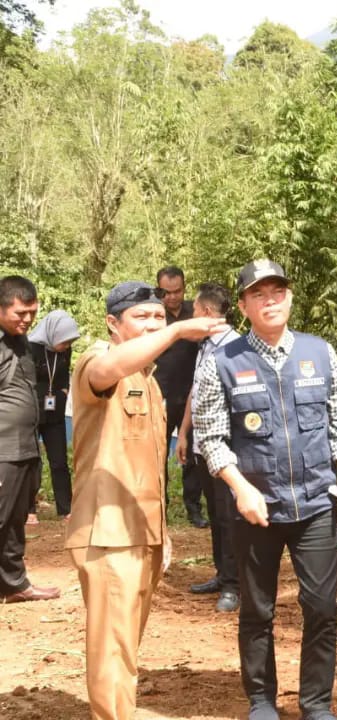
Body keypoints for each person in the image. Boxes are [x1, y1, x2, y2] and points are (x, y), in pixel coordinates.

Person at [193, 259, 337, 720]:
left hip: (315, 504)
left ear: (289, 297)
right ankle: (263, 701)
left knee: (322, 608)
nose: (271, 300)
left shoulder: (319, 352)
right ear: (244, 304)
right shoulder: (221, 361)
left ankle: (315, 704)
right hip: (254, 508)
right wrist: (239, 487)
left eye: (278, 292)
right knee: (257, 611)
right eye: (259, 294)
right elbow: (209, 435)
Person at [66, 280, 225, 720]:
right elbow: (106, 371)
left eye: (160, 317)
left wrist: (163, 531)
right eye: (142, 318)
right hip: (107, 530)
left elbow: (150, 467)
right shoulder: (96, 363)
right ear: (113, 324)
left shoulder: (149, 382)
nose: (153, 325)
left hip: (143, 531)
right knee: (111, 645)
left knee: (125, 643)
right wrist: (174, 332)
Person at [176, 283, 242, 612]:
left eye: (193, 311)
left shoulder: (235, 349)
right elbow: (195, 390)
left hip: (225, 448)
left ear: (204, 312)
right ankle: (222, 573)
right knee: (216, 515)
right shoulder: (205, 347)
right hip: (202, 445)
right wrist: (185, 432)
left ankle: (234, 585)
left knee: (229, 517)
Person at [0, 275, 59, 603]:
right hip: (3, 449)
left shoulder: (22, 343)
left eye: (32, 313)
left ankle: (13, 584)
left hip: (25, 447)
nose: (27, 320)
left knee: (15, 520)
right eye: (19, 313)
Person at [154, 266, 207, 527]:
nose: (172, 297)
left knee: (194, 455)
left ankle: (194, 509)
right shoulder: (152, 316)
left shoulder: (194, 312)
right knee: (157, 453)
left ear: (184, 288)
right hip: (159, 396)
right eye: (166, 292)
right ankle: (158, 507)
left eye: (177, 291)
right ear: (158, 290)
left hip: (192, 396)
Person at [28, 309, 81, 522]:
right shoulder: (30, 348)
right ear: (52, 334)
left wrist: (64, 391)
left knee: (59, 461)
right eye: (63, 341)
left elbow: (63, 375)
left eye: (69, 342)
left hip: (55, 412)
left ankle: (65, 508)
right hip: (31, 411)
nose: (66, 345)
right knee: (32, 461)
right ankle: (28, 509)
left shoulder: (64, 351)